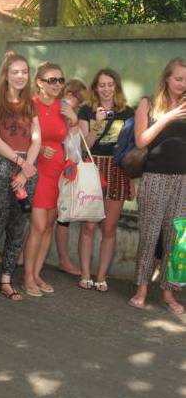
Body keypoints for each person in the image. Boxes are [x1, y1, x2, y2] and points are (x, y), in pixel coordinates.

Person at [0, 51, 40, 301]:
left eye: (24, 72)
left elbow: (36, 139)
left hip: (27, 168)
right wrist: (21, 163)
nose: (20, 76)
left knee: (18, 226)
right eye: (15, 72)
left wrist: (26, 168)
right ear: (6, 75)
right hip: (3, 164)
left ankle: (6, 278)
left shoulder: (31, 103)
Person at [129, 57, 186, 314]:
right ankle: (141, 289)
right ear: (167, 78)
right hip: (154, 177)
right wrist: (169, 117)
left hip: (182, 179)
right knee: (149, 235)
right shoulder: (148, 103)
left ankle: (167, 292)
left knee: (176, 238)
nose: (182, 84)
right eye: (178, 78)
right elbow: (141, 141)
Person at [22, 63, 78, 297]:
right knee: (37, 226)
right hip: (37, 171)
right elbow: (20, 136)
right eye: (51, 80)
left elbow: (74, 143)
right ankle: (27, 277)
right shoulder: (29, 105)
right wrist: (38, 147)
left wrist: (74, 120)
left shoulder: (63, 106)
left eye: (60, 80)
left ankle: (37, 274)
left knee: (48, 226)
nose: (57, 84)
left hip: (58, 172)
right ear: (39, 82)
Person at [77, 69, 135, 291]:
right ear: (95, 88)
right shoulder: (86, 110)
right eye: (102, 85)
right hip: (93, 168)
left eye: (110, 84)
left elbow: (130, 149)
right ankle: (85, 274)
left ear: (116, 86)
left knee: (109, 228)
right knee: (89, 226)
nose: (106, 89)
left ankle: (101, 276)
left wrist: (131, 181)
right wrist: (98, 123)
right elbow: (84, 146)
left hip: (117, 170)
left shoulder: (127, 112)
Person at [54, 79, 87, 275]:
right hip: (52, 171)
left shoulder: (72, 117)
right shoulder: (57, 111)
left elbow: (74, 153)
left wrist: (74, 125)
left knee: (61, 219)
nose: (75, 103)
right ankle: (23, 257)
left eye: (79, 101)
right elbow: (72, 152)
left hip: (64, 173)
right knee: (41, 218)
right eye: (74, 97)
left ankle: (64, 260)